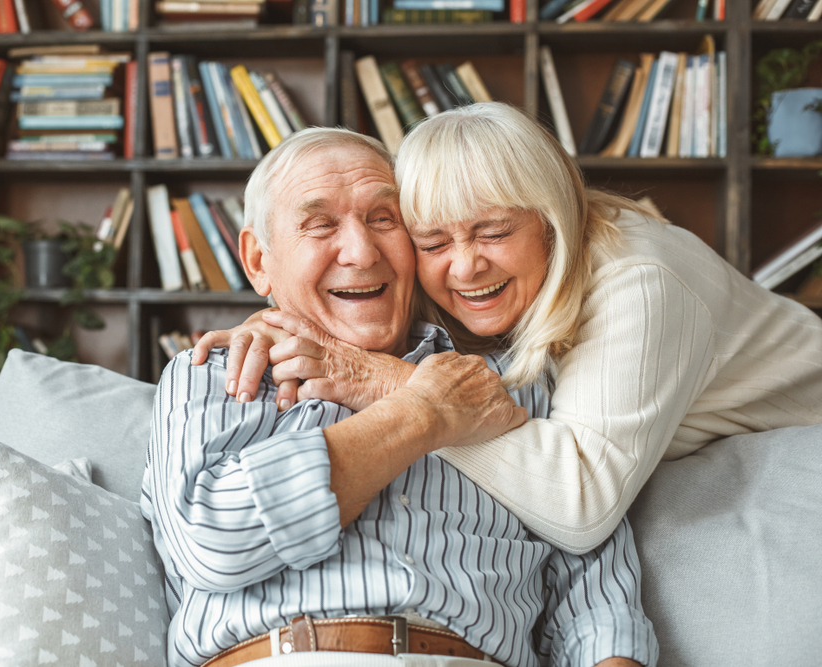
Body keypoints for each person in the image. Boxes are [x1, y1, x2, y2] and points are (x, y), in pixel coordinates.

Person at [195, 103, 822, 555]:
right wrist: (278, 319)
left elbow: (581, 507)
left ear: (551, 219)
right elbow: (358, 304)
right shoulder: (470, 282)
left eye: (494, 231)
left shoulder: (642, 281)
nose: (466, 266)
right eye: (433, 240)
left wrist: (393, 386)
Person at [141, 127, 657, 667]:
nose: (362, 252)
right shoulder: (214, 373)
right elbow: (217, 541)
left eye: (384, 220)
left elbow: (598, 604)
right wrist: (424, 412)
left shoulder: (512, 383)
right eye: (320, 225)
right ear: (257, 261)